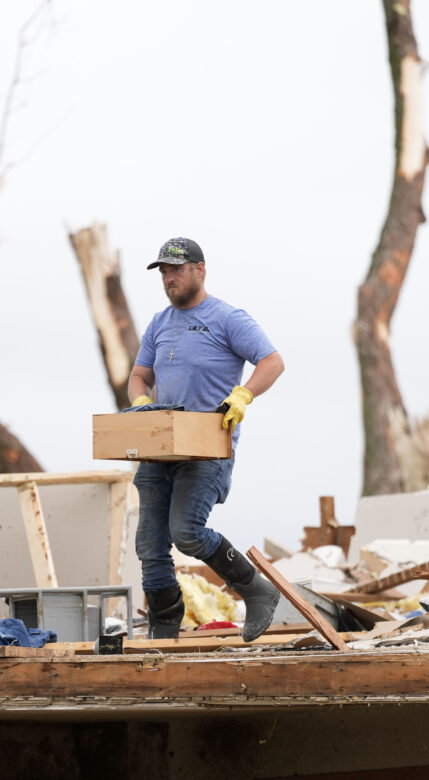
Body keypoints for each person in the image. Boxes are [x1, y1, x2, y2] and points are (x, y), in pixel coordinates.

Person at [127, 237, 286, 641]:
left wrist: (244, 393)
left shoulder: (227, 318)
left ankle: (257, 590)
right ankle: (164, 628)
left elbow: (273, 361)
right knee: (149, 544)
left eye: (175, 269)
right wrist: (142, 401)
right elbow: (139, 376)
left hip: (207, 449)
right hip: (159, 448)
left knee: (187, 532)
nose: (168, 278)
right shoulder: (160, 323)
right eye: (162, 271)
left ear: (200, 269)